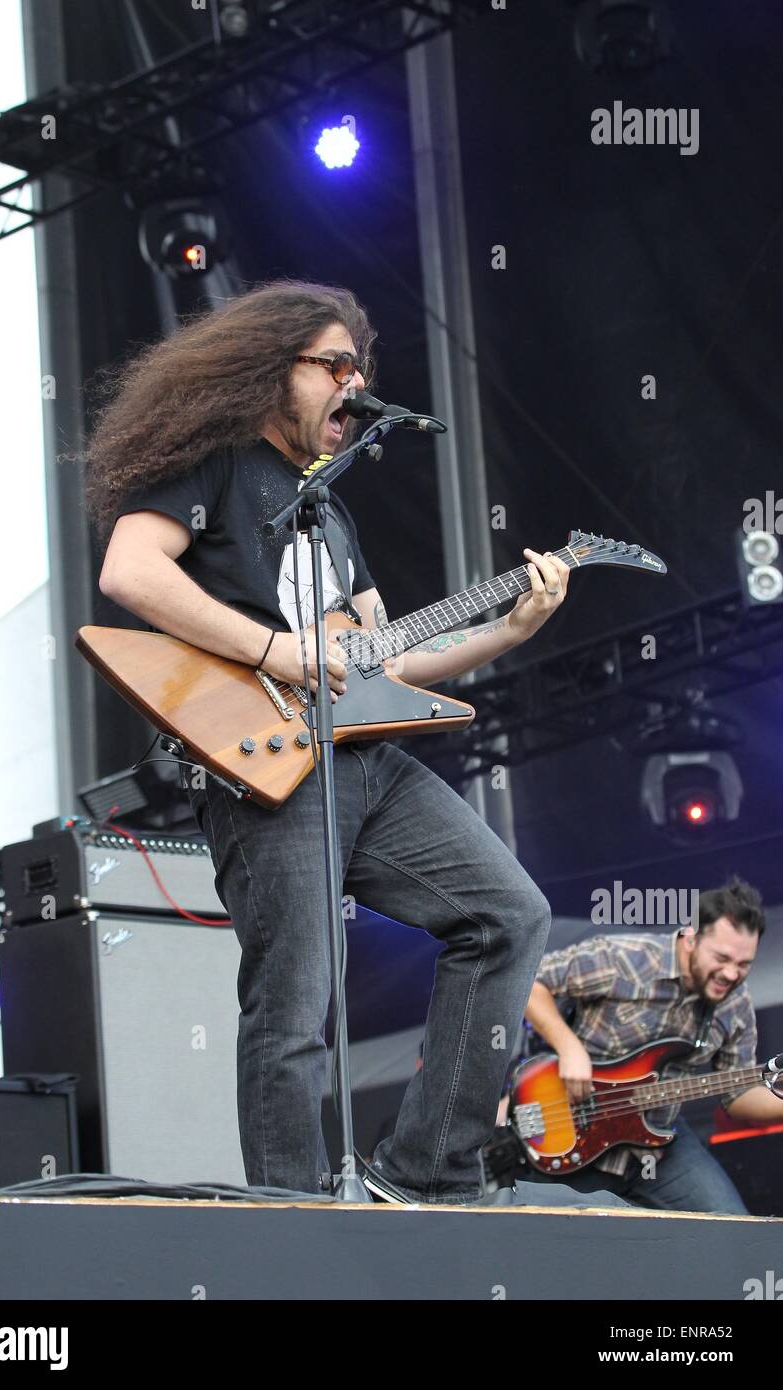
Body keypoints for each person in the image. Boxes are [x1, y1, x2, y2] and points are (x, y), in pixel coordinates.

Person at [87, 278, 573, 1205]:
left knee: (510, 914)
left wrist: (509, 630)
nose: (356, 385)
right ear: (273, 369)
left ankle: (428, 1169)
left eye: (363, 369)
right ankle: (293, 1220)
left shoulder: (332, 513)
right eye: (335, 365)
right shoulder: (218, 466)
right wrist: (277, 649)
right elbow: (129, 570)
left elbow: (388, 658)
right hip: (266, 765)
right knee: (295, 1006)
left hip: (364, 760)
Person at [519, 877, 783, 1214]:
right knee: (554, 1248)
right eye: (721, 958)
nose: (731, 974)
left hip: (660, 1144)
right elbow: (531, 981)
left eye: (744, 965)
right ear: (690, 938)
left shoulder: (736, 1007)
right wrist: (568, 1046)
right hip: (575, 1133)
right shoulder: (626, 959)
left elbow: (738, 1096)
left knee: (731, 1234)